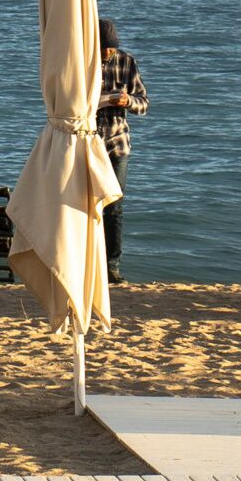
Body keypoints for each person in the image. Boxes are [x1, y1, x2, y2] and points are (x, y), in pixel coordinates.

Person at [96, 17, 148, 285]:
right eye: (104, 48)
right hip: (89, 142)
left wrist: (128, 100)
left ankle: (111, 266)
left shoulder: (127, 62)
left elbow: (144, 103)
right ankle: (89, 264)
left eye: (111, 49)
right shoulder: (83, 62)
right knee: (86, 205)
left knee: (114, 206)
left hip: (118, 141)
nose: (108, 54)